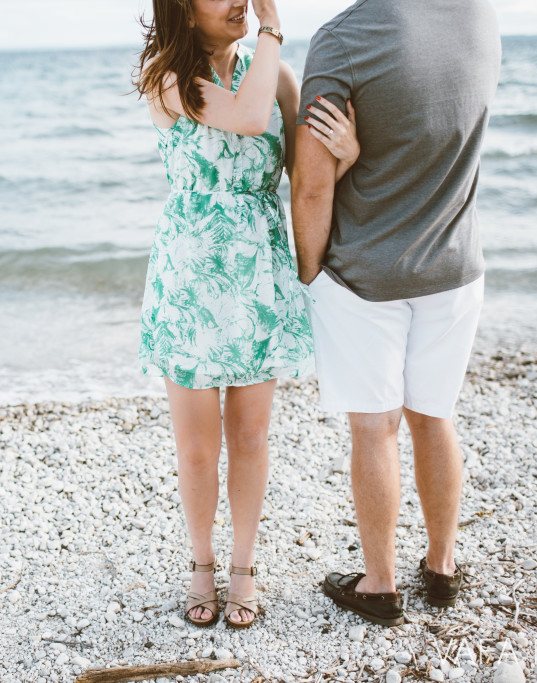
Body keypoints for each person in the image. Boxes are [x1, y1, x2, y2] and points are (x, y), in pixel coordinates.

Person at [134, 0, 358, 628]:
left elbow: (304, 176)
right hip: (191, 280)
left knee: (252, 437)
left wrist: (348, 152)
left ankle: (244, 567)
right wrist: (275, 30)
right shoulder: (167, 75)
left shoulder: (278, 76)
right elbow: (246, 116)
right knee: (199, 446)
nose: (241, 1)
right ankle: (201, 565)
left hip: (258, 275)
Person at [292, 0, 502, 626]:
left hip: (366, 277)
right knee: (435, 418)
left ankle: (379, 586)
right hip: (456, 268)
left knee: (374, 427)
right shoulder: (478, 18)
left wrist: (309, 275)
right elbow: (433, 130)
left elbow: (310, 183)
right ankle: (441, 569)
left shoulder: (343, 38)